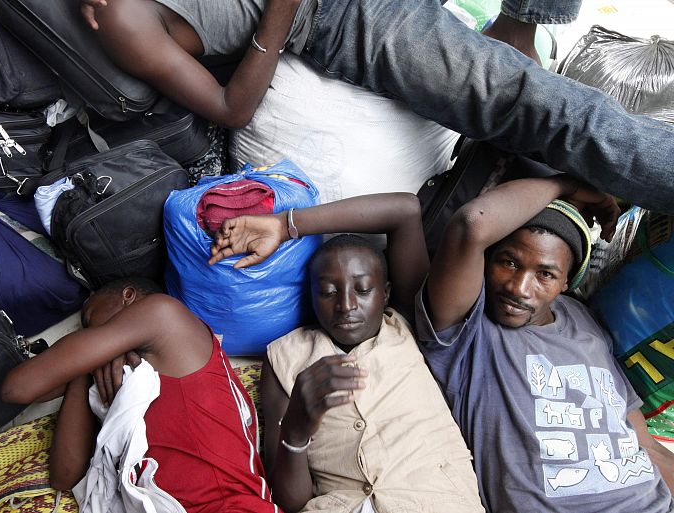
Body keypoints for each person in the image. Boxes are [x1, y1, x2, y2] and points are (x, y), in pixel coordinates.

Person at [78, 0, 674, 215]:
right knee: (541, 105)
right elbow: (233, 107)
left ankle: (520, 26)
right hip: (342, 17)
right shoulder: (123, 18)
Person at [208, 193, 485, 512]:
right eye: (327, 292)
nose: (346, 305)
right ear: (310, 296)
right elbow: (292, 501)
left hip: (436, 499)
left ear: (386, 293)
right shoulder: (285, 357)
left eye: (364, 289)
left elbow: (405, 210)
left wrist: (286, 225)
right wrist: (296, 431)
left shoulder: (406, 324)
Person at [414, 174, 674, 511]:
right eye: (508, 263)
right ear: (487, 261)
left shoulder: (585, 323)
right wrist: (568, 184)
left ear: (566, 281)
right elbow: (472, 223)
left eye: (545, 274)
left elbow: (644, 445)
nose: (518, 288)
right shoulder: (466, 326)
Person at [1, 277, 277, 512]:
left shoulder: (164, 314)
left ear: (128, 296)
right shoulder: (125, 384)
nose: (89, 335)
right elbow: (65, 477)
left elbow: (19, 386)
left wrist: (96, 350)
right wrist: (82, 370)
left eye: (89, 321)